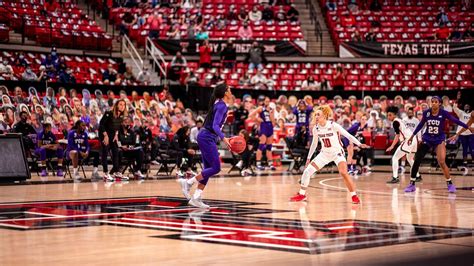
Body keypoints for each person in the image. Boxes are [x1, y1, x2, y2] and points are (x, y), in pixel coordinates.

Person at [290, 105, 369, 204]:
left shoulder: (333, 125)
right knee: (307, 171)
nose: (316, 117)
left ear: (325, 115)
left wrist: (359, 144)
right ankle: (302, 194)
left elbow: (348, 135)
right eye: (315, 115)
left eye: (318, 114)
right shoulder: (316, 128)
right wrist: (308, 158)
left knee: (344, 173)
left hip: (337, 153)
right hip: (324, 154)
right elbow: (314, 144)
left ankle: (354, 195)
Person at [179, 83, 233, 209]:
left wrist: (225, 138)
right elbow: (214, 126)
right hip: (207, 137)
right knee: (216, 167)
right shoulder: (221, 106)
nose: (231, 91)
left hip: (206, 136)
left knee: (208, 169)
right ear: (225, 92)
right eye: (229, 89)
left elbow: (216, 126)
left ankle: (196, 198)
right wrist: (224, 139)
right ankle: (188, 182)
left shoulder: (219, 103)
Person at [405, 96, 468, 193]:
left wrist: (467, 127)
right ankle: (412, 184)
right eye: (432, 101)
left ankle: (450, 183)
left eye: (435, 102)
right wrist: (412, 136)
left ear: (439, 103)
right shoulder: (427, 113)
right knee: (417, 159)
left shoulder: (444, 113)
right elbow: (421, 125)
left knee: (442, 162)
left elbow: (456, 121)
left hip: (439, 139)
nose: (433, 103)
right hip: (427, 138)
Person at [385, 106, 421, 184]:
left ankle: (395, 177)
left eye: (390, 115)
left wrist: (392, 146)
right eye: (387, 115)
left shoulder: (395, 122)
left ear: (394, 115)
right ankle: (418, 175)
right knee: (410, 159)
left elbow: (397, 136)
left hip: (408, 140)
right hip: (413, 139)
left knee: (395, 158)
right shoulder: (400, 120)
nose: (388, 117)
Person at [99, 99, 130, 182]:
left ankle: (116, 172)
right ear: (116, 105)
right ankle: (105, 173)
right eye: (120, 104)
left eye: (124, 105)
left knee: (116, 152)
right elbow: (101, 125)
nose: (122, 106)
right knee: (105, 153)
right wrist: (105, 136)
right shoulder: (109, 113)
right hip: (104, 134)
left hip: (113, 136)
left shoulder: (121, 116)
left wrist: (116, 135)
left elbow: (117, 127)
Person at [249, 96, 276, 171]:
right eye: (266, 101)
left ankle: (270, 164)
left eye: (268, 101)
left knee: (269, 147)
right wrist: (257, 119)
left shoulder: (271, 109)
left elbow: (273, 121)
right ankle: (258, 164)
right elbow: (251, 115)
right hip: (263, 127)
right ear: (263, 101)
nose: (267, 103)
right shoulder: (260, 108)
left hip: (270, 127)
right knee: (261, 145)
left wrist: (271, 115)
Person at [452, 103, 473, 174]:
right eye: (465, 106)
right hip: (463, 134)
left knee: (472, 149)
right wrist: (455, 104)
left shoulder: (472, 114)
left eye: (468, 106)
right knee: (464, 149)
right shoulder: (461, 113)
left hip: (471, 134)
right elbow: (455, 109)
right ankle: (465, 164)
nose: (466, 107)